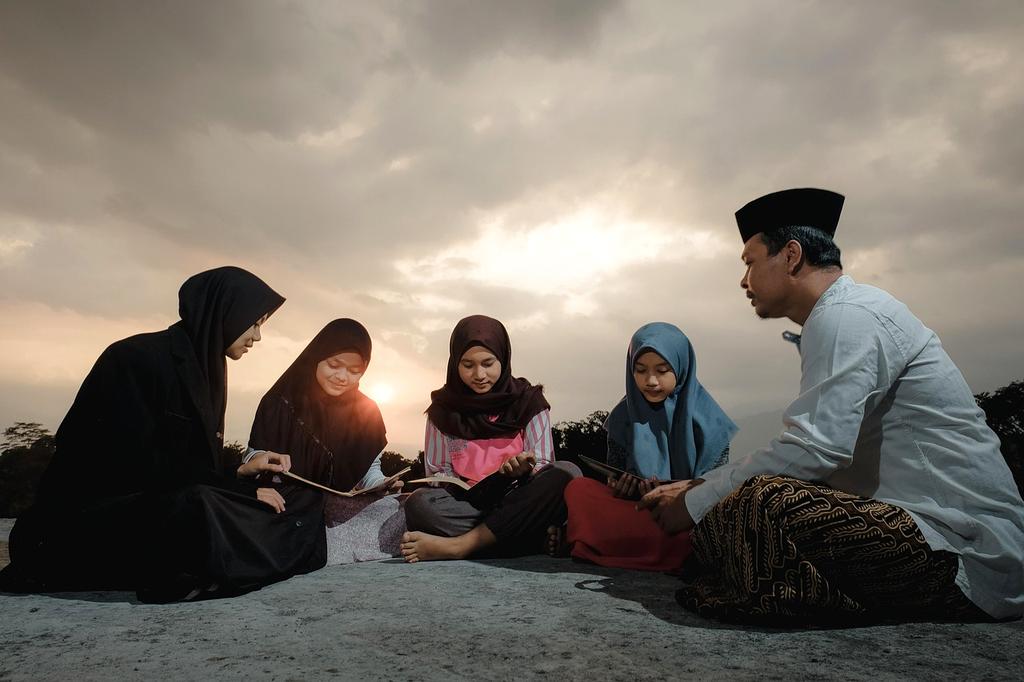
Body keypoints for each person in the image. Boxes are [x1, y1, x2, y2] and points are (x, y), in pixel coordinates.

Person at [639, 188, 1024, 624]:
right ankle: (805, 589)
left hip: (964, 549)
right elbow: (817, 453)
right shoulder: (839, 316)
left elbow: (815, 450)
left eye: (748, 262)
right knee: (730, 507)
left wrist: (695, 501)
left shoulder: (847, 316)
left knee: (759, 503)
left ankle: (802, 593)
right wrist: (702, 487)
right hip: (921, 533)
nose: (743, 281)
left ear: (790, 256)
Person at [0, 266, 326, 602]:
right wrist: (237, 492)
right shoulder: (134, 358)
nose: (257, 336)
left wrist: (242, 472)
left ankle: (233, 560)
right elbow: (133, 466)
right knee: (198, 506)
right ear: (225, 312)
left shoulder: (210, 370)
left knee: (299, 496)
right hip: (94, 518)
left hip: (171, 500)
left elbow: (192, 465)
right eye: (255, 323)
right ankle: (227, 562)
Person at [552, 322, 736, 571]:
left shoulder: (710, 422)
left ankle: (594, 542)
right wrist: (622, 488)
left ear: (682, 368)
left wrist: (677, 495)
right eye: (640, 371)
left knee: (709, 527)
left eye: (662, 370)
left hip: (686, 516)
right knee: (579, 488)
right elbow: (614, 478)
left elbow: (715, 490)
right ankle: (646, 549)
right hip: (636, 510)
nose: (650, 381)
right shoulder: (623, 416)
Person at [400, 314, 580, 562]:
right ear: (454, 363)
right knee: (419, 504)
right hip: (472, 506)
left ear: (503, 359)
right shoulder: (442, 411)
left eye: (488, 363)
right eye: (467, 364)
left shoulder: (529, 402)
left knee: (568, 473)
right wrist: (468, 488)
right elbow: (438, 475)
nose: (479, 374)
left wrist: (520, 472)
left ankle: (459, 547)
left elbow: (543, 464)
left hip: (518, 498)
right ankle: (529, 541)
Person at [246, 318, 404, 564]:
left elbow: (368, 471)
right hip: (285, 502)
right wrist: (257, 459)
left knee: (398, 509)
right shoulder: (280, 400)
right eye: (334, 365)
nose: (342, 377)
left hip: (337, 508)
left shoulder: (366, 410)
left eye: (355, 371)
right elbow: (252, 455)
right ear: (316, 357)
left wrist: (382, 484)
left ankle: (327, 543)